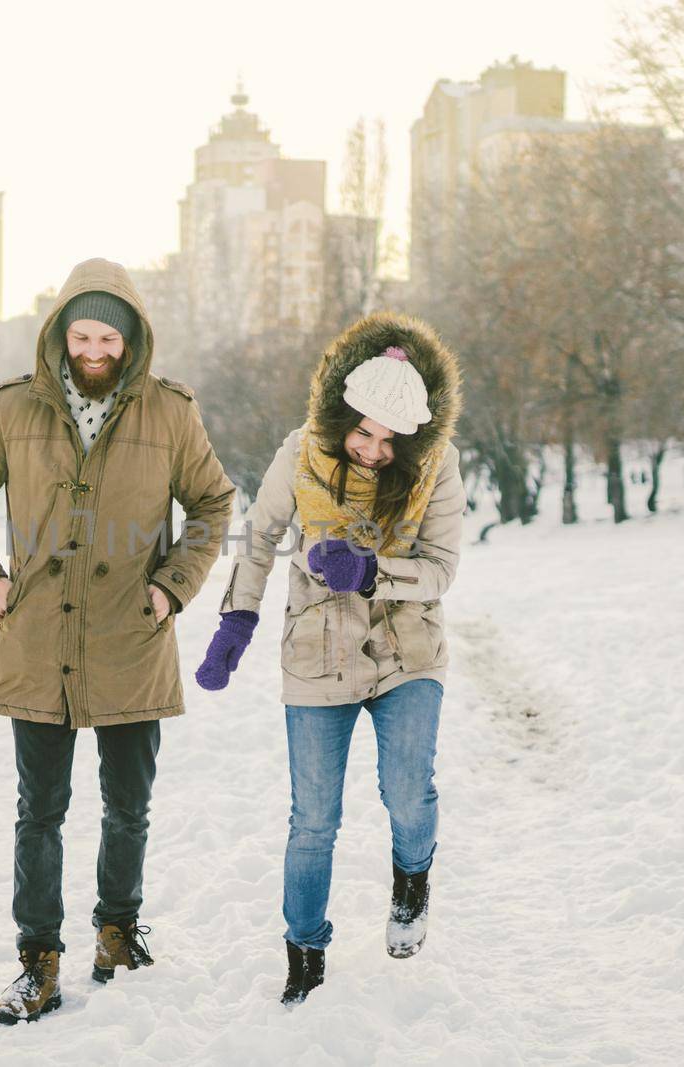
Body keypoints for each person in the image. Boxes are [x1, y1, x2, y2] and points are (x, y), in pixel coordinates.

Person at [0, 258, 234, 1025]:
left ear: (131, 340)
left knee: (128, 805)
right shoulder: (14, 410)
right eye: (81, 334)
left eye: (107, 336)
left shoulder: (170, 413)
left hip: (132, 635)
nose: (93, 350)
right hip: (38, 641)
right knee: (40, 809)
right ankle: (38, 960)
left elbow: (212, 503)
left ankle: (117, 930)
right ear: (60, 334)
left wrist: (170, 587)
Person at [195, 311, 465, 1006]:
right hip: (319, 655)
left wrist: (374, 571)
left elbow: (440, 568)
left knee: (407, 790)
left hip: (408, 649)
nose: (374, 449)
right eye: (363, 430)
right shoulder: (300, 452)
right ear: (341, 413)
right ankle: (306, 950)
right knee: (313, 819)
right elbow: (258, 537)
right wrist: (237, 619)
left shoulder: (438, 466)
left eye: (390, 438)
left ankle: (413, 876)